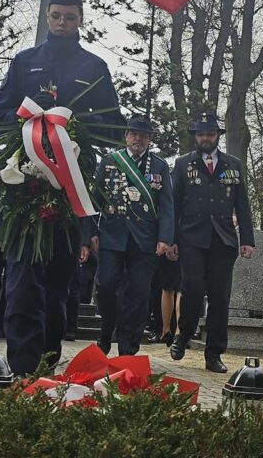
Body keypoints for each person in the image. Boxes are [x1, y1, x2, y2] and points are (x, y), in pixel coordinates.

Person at [0, 0, 122, 375]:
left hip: (69, 187)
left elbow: (114, 127)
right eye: (57, 16)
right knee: (22, 278)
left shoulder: (94, 67)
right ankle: (22, 367)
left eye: (70, 17)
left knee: (60, 279)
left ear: (81, 20)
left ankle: (46, 360)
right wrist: (26, 116)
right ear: (47, 17)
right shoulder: (24, 61)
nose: (63, 23)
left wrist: (75, 128)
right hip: (26, 184)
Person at [169, 113, 255, 373]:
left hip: (223, 238)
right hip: (191, 237)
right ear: (195, 137)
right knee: (192, 288)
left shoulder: (233, 164)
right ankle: (183, 334)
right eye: (200, 134)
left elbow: (242, 204)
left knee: (219, 296)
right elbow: (173, 204)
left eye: (209, 133)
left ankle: (214, 353)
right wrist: (171, 240)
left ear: (217, 136)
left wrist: (247, 239)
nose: (205, 138)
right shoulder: (183, 164)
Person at [83, 115, 174, 356]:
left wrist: (164, 238)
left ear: (150, 139)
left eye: (143, 135)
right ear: (126, 136)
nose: (138, 139)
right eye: (134, 134)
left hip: (144, 239)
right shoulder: (110, 162)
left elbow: (167, 206)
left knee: (138, 294)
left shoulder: (159, 166)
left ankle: (128, 349)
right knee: (105, 286)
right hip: (112, 235)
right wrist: (90, 234)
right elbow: (94, 201)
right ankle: (106, 332)